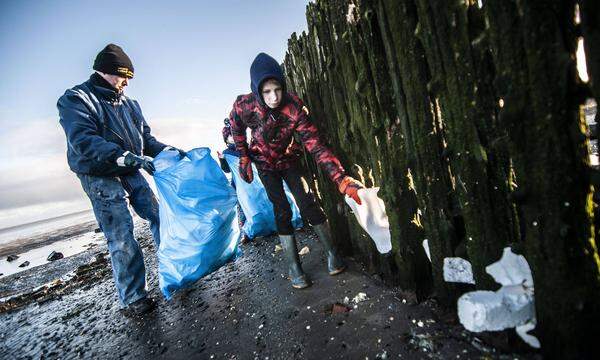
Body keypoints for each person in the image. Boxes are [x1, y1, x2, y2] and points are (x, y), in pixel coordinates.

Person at [57, 44, 185, 314]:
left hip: (130, 167)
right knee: (121, 234)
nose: (127, 82)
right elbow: (83, 140)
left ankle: (175, 272)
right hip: (98, 173)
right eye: (123, 76)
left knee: (160, 216)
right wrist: (123, 156)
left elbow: (145, 140)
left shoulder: (129, 104)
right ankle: (134, 298)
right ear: (105, 72)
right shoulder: (77, 99)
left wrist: (171, 151)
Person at [228, 52, 364, 289]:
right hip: (264, 164)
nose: (273, 97)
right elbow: (235, 126)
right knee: (281, 210)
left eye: (277, 89)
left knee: (307, 202)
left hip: (289, 160)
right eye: (267, 91)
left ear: (283, 85)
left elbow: (315, 144)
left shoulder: (294, 107)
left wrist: (340, 178)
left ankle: (333, 254)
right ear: (257, 90)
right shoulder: (244, 105)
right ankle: (294, 267)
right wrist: (243, 156)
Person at [218, 118, 249, 243]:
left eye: (233, 135)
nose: (232, 137)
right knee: (242, 208)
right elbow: (226, 170)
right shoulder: (227, 152)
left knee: (255, 203)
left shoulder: (245, 148)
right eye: (229, 136)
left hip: (250, 182)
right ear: (226, 139)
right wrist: (222, 159)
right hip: (238, 185)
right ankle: (246, 232)